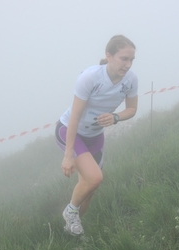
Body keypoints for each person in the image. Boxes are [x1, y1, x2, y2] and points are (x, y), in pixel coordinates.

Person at [55, 35, 138, 236]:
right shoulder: (90, 77)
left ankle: (72, 230)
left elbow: (132, 109)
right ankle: (70, 211)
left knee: (90, 188)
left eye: (131, 60)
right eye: (123, 59)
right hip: (69, 131)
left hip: (95, 135)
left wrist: (115, 117)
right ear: (109, 56)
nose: (128, 65)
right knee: (95, 178)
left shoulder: (131, 80)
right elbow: (74, 117)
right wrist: (68, 156)